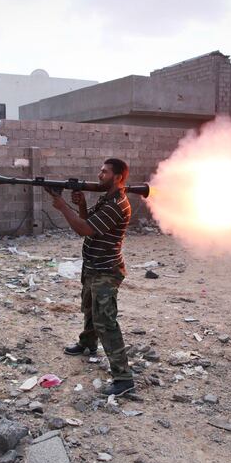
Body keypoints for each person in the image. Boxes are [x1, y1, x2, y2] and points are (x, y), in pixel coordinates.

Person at [46, 158, 135, 396]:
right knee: (89, 306)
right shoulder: (106, 199)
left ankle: (123, 378)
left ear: (118, 177)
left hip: (106, 270)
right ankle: (87, 344)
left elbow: (83, 230)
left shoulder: (116, 204)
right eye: (100, 170)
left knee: (105, 320)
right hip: (93, 265)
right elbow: (88, 222)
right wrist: (82, 204)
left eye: (104, 172)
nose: (99, 175)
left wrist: (62, 205)